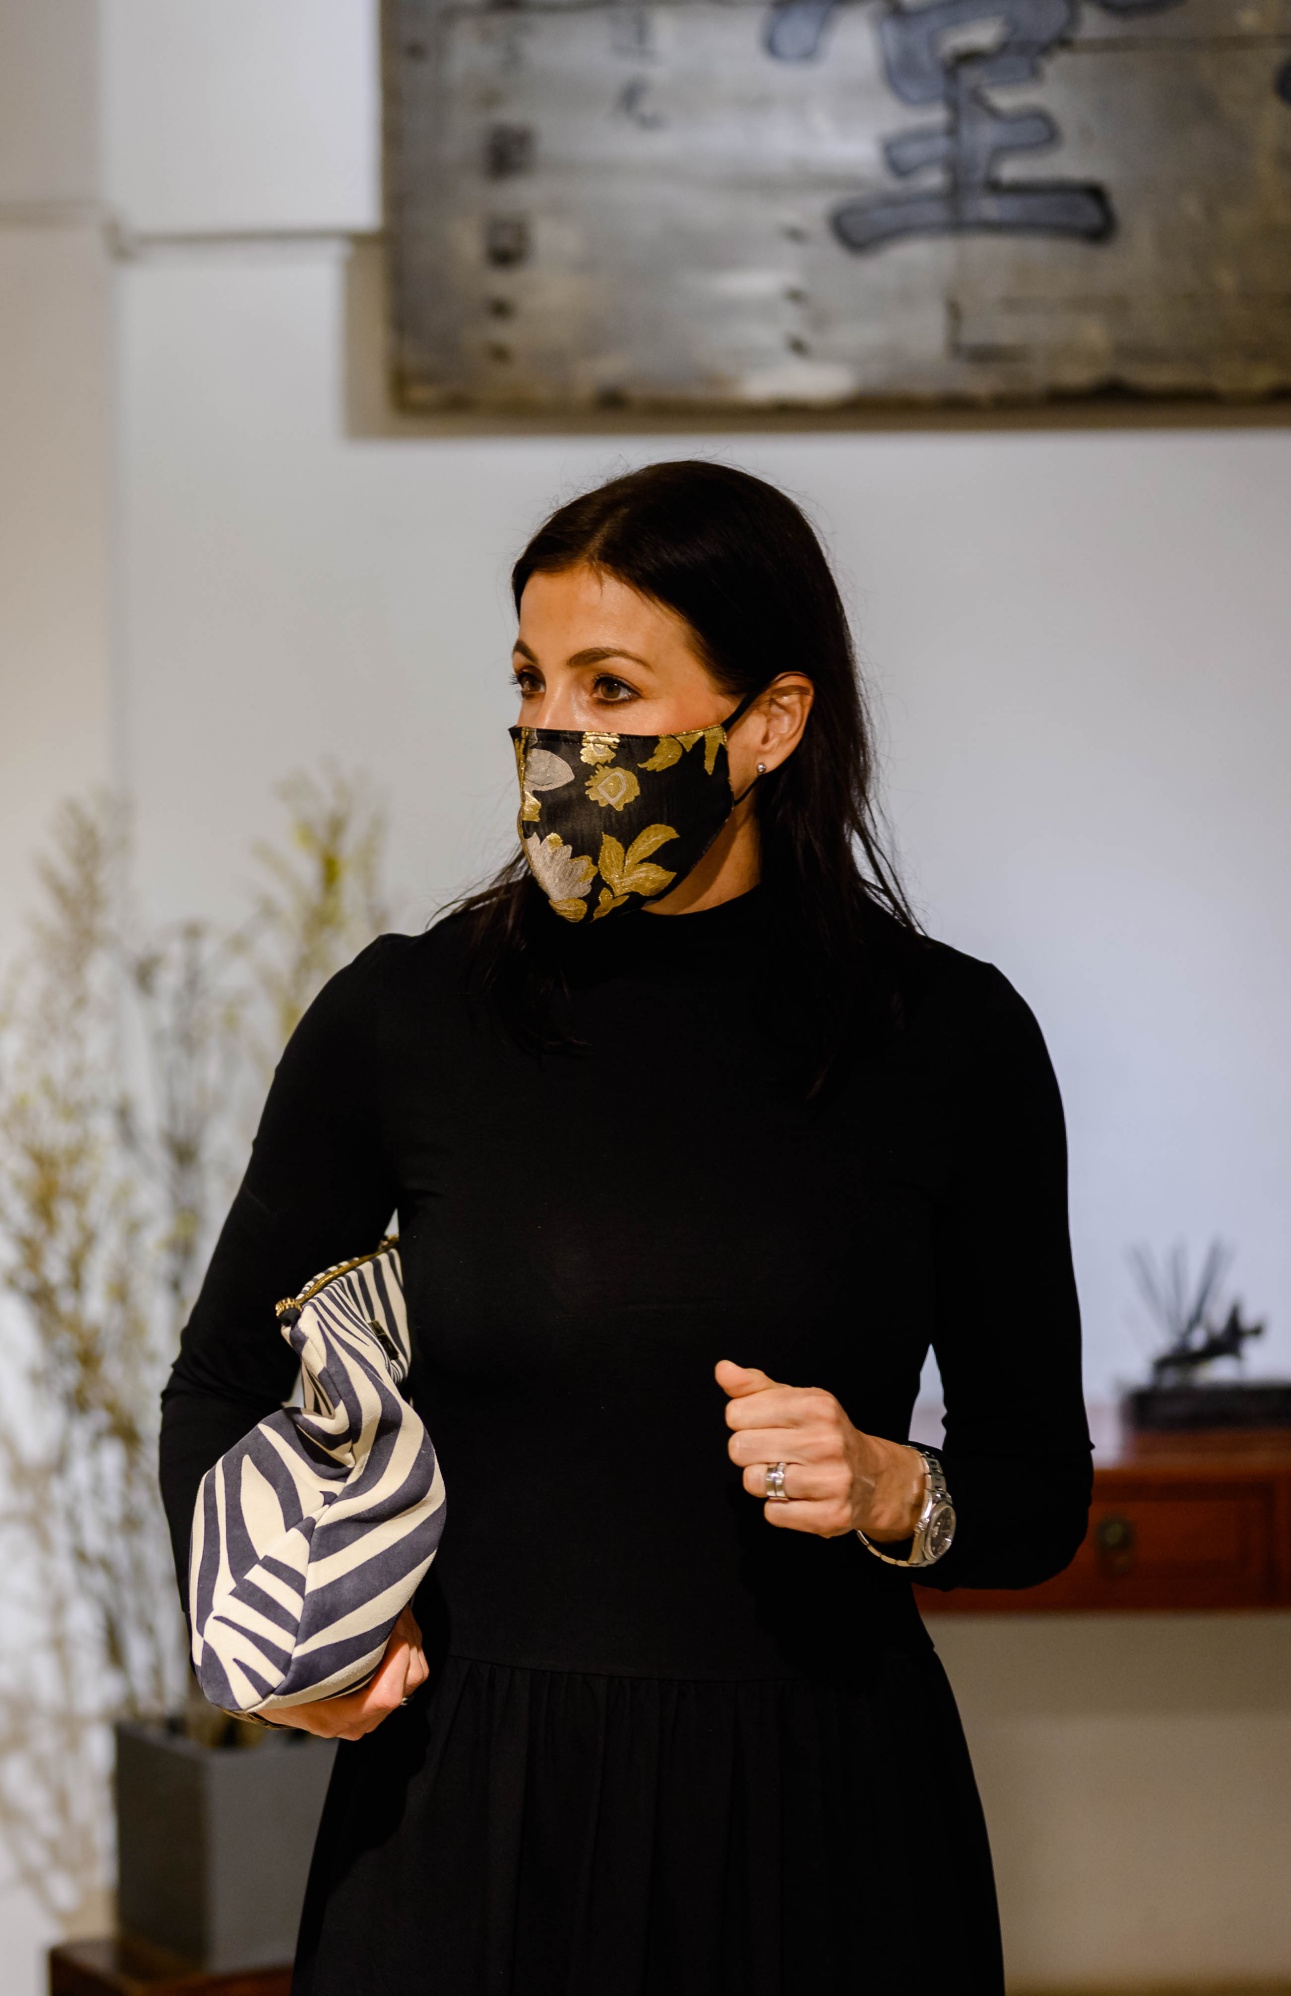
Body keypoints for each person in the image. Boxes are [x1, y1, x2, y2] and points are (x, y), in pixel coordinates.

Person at [157, 462, 1091, 1995]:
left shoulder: (952, 1041)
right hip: (463, 1819)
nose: (551, 732)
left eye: (609, 686)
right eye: (531, 681)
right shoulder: (404, 1020)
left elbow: (1039, 1490)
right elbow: (219, 1383)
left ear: (771, 722)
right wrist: (276, 1653)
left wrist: (888, 1484)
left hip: (820, 1821)